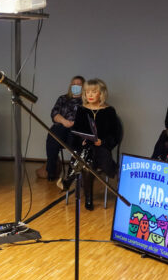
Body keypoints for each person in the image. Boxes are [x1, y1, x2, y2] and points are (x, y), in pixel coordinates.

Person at [59, 78, 119, 210]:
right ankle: (88, 200)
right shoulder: (81, 110)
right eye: (87, 92)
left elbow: (115, 135)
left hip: (102, 150)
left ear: (101, 94)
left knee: (86, 158)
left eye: (93, 92)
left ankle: (68, 180)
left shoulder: (109, 111)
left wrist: (102, 141)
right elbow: (75, 132)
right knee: (87, 161)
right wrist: (81, 140)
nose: (90, 95)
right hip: (84, 148)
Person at [36, 75, 84, 181]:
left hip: (77, 129)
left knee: (76, 141)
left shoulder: (86, 101)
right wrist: (64, 121)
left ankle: (73, 173)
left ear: (84, 86)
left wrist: (74, 123)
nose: (76, 86)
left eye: (79, 84)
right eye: (74, 84)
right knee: (53, 136)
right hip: (61, 125)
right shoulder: (63, 98)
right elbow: (54, 113)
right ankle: (51, 171)